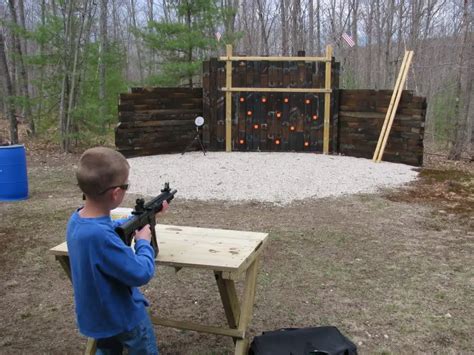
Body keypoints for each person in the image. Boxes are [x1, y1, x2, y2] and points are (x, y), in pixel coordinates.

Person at [66, 147, 162, 354]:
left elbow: (107, 229)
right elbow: (141, 273)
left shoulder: (76, 221)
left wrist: (137, 220)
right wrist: (143, 242)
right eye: (126, 185)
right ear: (116, 193)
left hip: (98, 317)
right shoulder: (101, 237)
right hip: (124, 317)